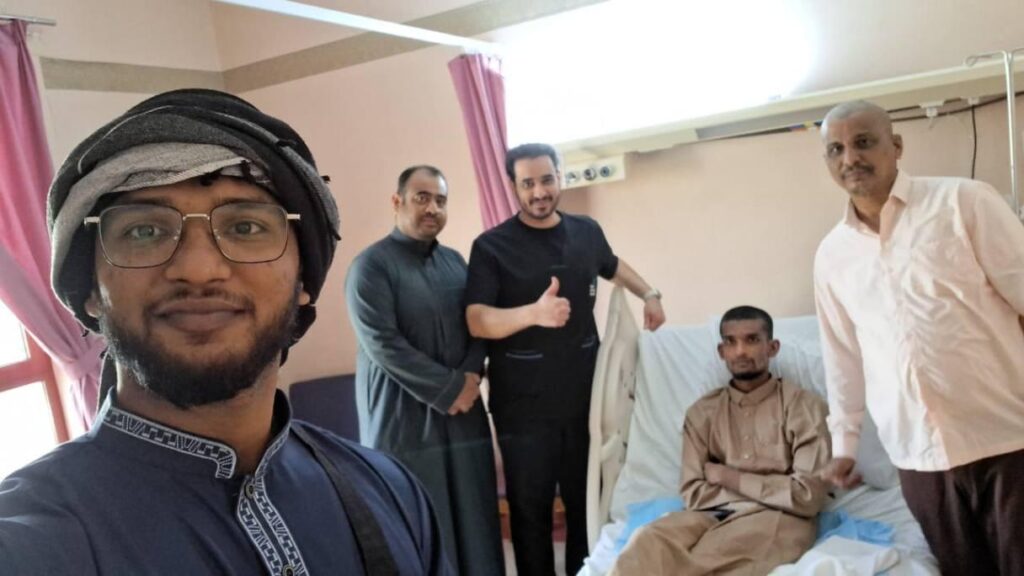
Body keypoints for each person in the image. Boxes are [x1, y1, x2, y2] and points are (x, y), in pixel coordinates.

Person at [0, 89, 450, 575]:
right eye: (144, 231)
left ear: (303, 281)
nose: (198, 270)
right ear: (90, 287)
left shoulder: (389, 491)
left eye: (246, 227)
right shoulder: (32, 542)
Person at [815, 100, 1024, 575]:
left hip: (1007, 437)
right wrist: (845, 446)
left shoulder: (964, 202)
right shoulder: (832, 256)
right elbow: (842, 357)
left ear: (897, 146)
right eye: (836, 149)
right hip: (919, 457)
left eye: (863, 142)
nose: (850, 158)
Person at [465, 142, 666, 576]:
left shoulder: (586, 231)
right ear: (514, 186)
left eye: (546, 179)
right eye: (528, 183)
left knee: (584, 505)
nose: (539, 191)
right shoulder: (491, 246)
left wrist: (649, 292)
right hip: (523, 409)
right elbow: (477, 319)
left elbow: (611, 265)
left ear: (561, 177)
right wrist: (534, 314)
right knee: (530, 511)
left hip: (583, 401)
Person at [345, 165, 505, 576]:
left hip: (464, 414)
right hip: (402, 419)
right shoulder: (371, 267)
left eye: (440, 200)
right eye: (422, 197)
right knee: (418, 519)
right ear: (397, 201)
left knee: (475, 515)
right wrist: (451, 388)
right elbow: (382, 343)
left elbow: (480, 322)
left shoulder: (455, 263)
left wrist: (470, 377)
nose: (432, 207)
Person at [609, 306, 830, 576]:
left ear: (772, 347)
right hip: (712, 515)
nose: (740, 351)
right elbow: (693, 492)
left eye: (752, 340)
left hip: (780, 518)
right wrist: (772, 490)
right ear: (721, 352)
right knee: (648, 542)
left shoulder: (804, 407)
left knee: (714, 560)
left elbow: (808, 496)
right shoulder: (703, 413)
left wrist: (727, 477)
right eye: (730, 342)